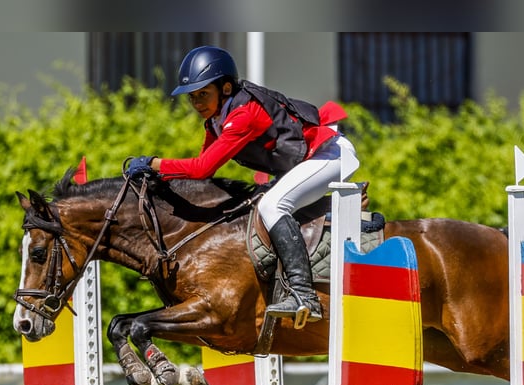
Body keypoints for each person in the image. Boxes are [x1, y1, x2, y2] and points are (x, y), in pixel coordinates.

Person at [126, 45, 359, 327]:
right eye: (193, 97)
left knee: (274, 206)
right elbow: (202, 169)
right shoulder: (216, 121)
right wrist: (158, 179)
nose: (197, 103)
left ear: (225, 88)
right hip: (302, 161)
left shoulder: (244, 113)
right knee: (256, 204)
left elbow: (202, 168)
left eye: (203, 94)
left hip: (328, 154)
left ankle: (303, 295)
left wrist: (155, 164)